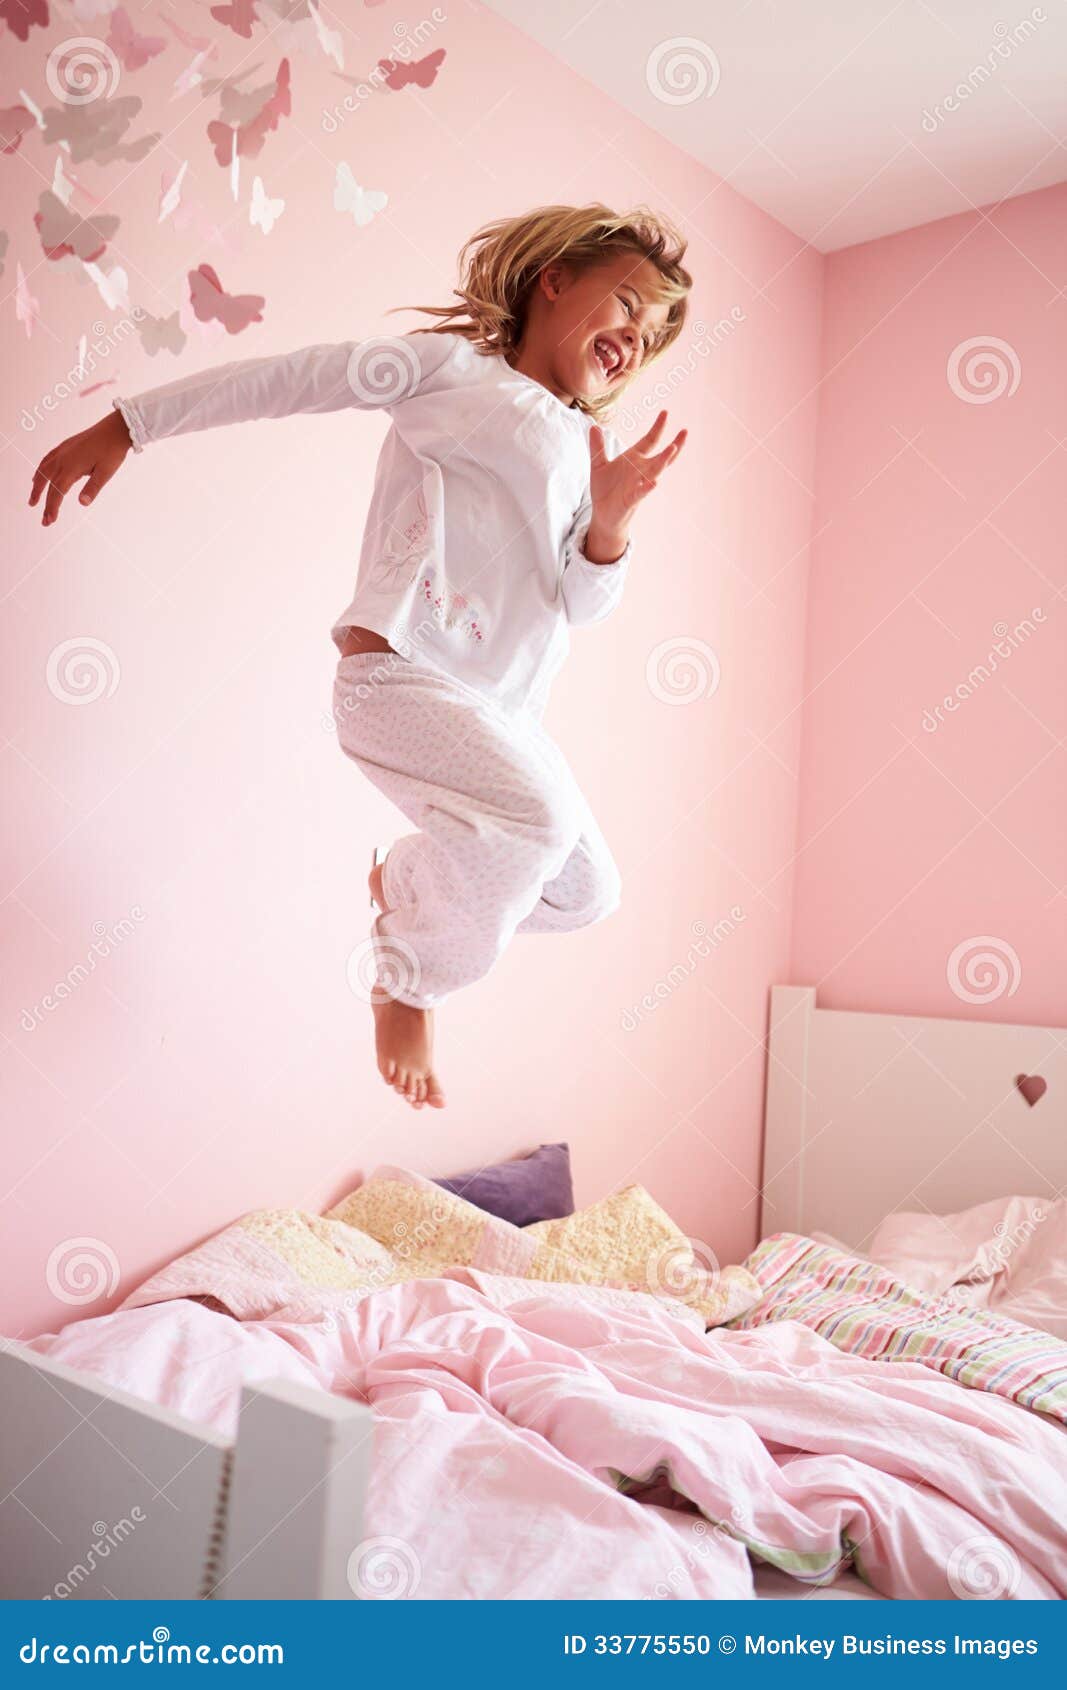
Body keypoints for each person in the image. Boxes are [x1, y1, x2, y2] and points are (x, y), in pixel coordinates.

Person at [29, 202, 692, 1113]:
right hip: (403, 676)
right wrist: (129, 425)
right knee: (535, 828)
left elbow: (579, 602)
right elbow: (290, 379)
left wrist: (609, 524)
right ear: (554, 281)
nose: (634, 336)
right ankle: (404, 978)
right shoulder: (452, 372)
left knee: (587, 892)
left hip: (500, 717)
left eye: (651, 335)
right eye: (626, 303)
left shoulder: (584, 450)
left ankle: (407, 880)